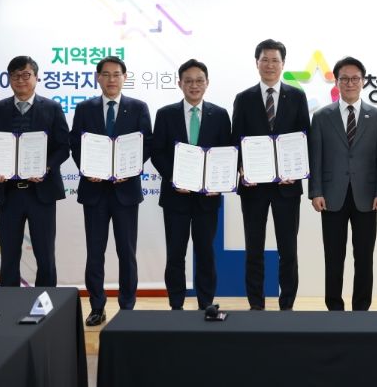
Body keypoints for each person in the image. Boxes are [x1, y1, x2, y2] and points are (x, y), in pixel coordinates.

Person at [70, 55, 152, 326]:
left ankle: (127, 307)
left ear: (124, 77)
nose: (111, 79)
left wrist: (129, 169)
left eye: (116, 74)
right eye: (106, 74)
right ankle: (97, 306)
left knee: (126, 253)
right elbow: (75, 144)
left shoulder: (138, 108)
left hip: (125, 191)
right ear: (98, 78)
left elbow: (146, 144)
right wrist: (87, 169)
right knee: (95, 253)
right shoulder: (85, 109)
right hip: (94, 191)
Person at [231, 39, 310, 310]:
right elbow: (235, 139)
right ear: (257, 63)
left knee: (288, 251)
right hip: (254, 187)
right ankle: (256, 306)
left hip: (287, 187)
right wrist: (242, 167)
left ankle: (287, 305)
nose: (270, 65)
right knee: (254, 249)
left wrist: (297, 170)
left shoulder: (297, 96)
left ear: (283, 64)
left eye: (275, 60)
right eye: (264, 60)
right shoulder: (244, 98)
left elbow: (305, 137)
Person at [309, 56, 377, 311]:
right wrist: (315, 191)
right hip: (331, 196)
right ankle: (334, 307)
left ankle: (361, 308)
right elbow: (316, 157)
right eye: (345, 78)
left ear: (363, 81)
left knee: (364, 257)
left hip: (367, 197)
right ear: (337, 82)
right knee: (333, 256)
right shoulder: (322, 117)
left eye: (355, 78)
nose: (350, 83)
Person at [151, 59, 232, 310]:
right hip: (175, 197)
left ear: (207, 83)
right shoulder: (165, 114)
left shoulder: (220, 115)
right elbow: (157, 153)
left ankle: (206, 303)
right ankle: (176, 305)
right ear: (180, 84)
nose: (194, 85)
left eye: (199, 80)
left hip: (207, 199)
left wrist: (219, 182)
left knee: (205, 253)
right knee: (175, 254)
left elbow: (227, 153)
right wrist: (174, 178)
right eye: (188, 81)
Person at [0, 55, 69, 287]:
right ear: (9, 79)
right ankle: (9, 303)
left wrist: (46, 167)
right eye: (15, 76)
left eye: (25, 75)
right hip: (8, 193)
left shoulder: (52, 108)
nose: (20, 80)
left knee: (45, 255)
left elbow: (64, 147)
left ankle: (48, 303)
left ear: (36, 77)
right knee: (9, 255)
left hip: (41, 193)